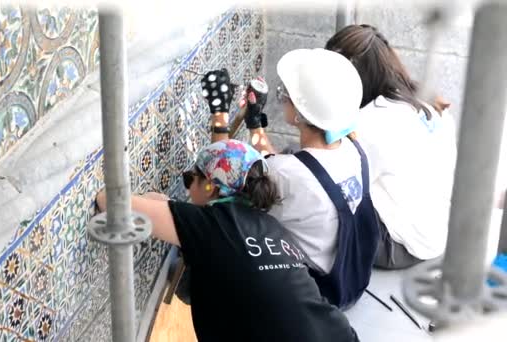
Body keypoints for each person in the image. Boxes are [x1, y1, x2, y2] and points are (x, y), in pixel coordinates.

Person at [95, 140, 358, 342]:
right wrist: (169, 208)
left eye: (190, 180)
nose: (188, 189)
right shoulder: (269, 225)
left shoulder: (211, 226)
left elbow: (112, 204)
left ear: (210, 186)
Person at [202, 49, 380, 309]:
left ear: (299, 114)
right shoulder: (354, 150)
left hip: (316, 296)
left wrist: (219, 114)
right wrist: (255, 123)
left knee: (221, 218)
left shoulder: (287, 175)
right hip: (352, 279)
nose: (283, 97)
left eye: (286, 95)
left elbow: (220, 171)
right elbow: (286, 168)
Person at [325, 24, 458, 269]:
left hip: (399, 247)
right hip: (440, 233)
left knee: (316, 192)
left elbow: (339, 180)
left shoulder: (371, 121)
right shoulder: (424, 100)